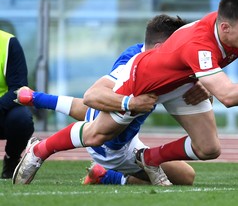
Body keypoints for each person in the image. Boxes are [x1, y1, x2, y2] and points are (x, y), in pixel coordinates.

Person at [13, 0, 238, 186]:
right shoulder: (199, 45)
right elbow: (227, 96)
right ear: (224, 27)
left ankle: (148, 157)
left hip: (184, 81)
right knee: (98, 134)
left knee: (210, 148)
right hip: (147, 82)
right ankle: (41, 151)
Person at [14, 14, 209, 185]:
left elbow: (201, 114)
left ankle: (106, 174)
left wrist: (201, 89)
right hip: (110, 146)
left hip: (127, 139)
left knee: (186, 176)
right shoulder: (133, 64)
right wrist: (130, 103)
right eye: (178, 45)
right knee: (108, 112)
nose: (183, 50)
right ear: (160, 47)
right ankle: (43, 150)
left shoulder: (160, 59)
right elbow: (93, 96)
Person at [0, 29, 34, 179]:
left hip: (3, 112)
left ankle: (12, 158)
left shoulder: (8, 42)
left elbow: (19, 88)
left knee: (22, 119)